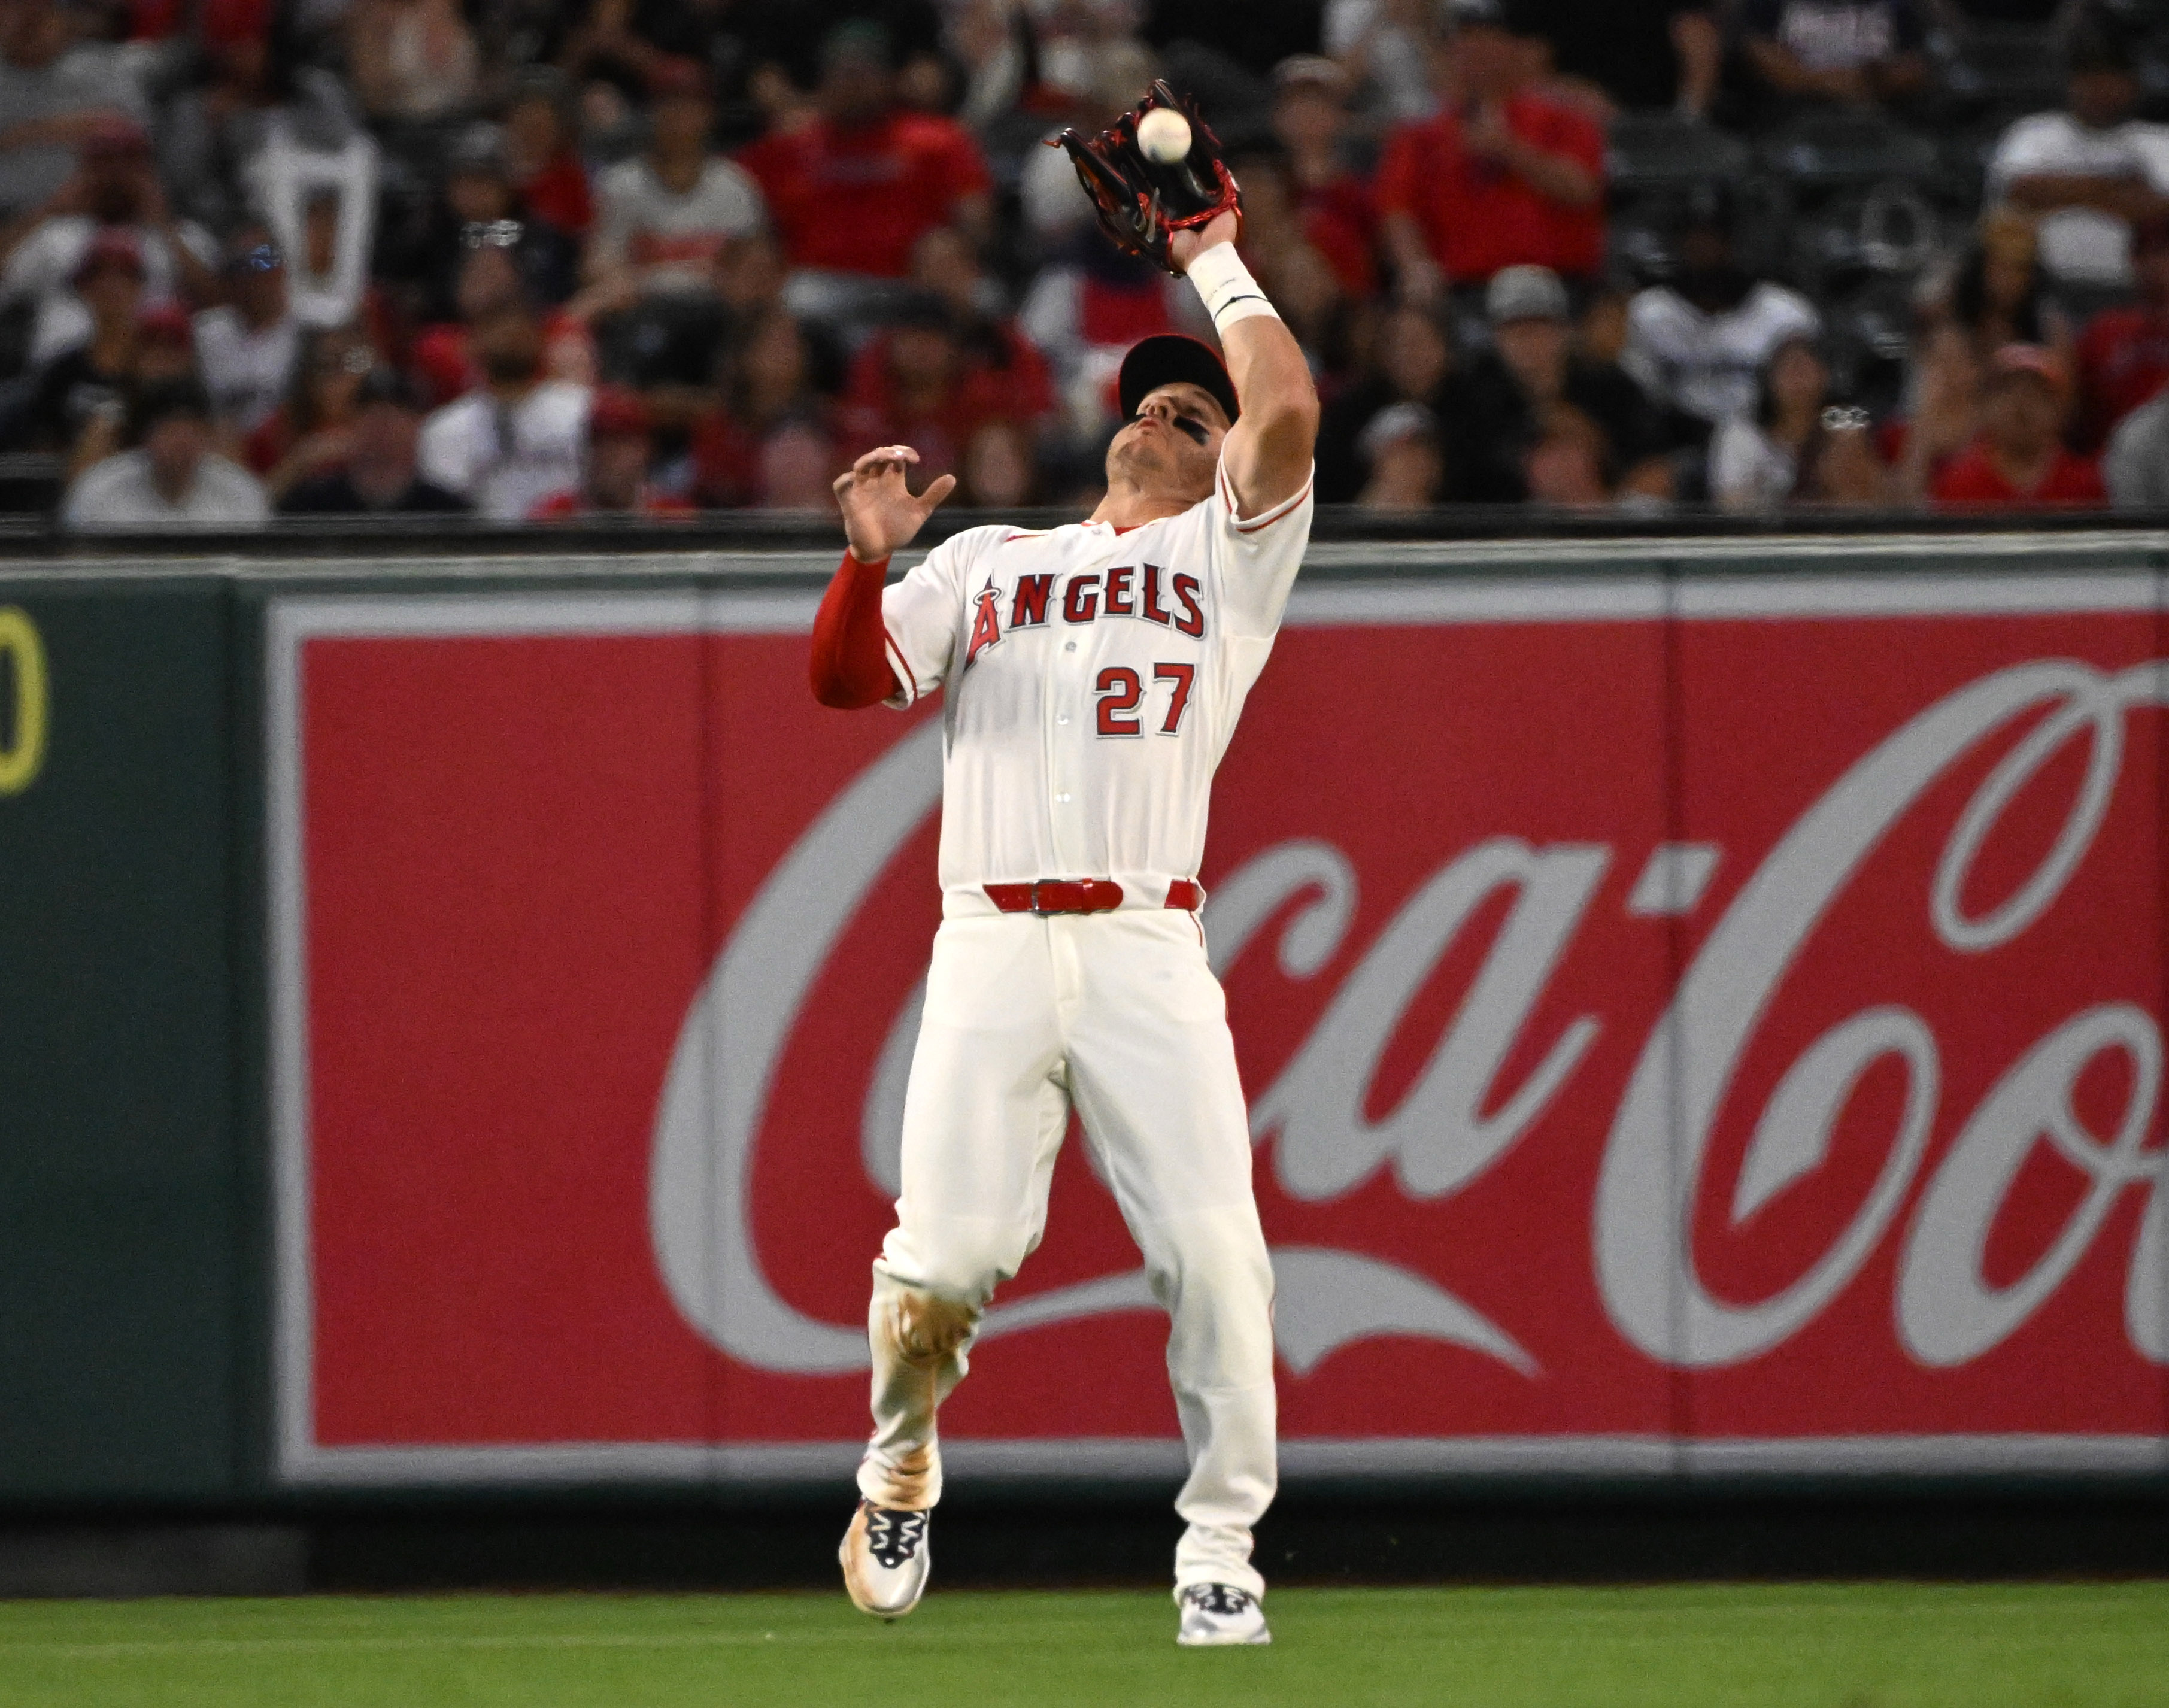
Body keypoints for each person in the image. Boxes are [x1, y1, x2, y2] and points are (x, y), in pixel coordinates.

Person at [810, 208, 1317, 1646]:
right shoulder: (987, 561)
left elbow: (1283, 404)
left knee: (1216, 1254)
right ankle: (898, 1464)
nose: (1160, 417)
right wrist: (861, 561)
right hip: (988, 939)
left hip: (1147, 941)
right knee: (943, 1267)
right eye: (1147, 401)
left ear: (1221, 458)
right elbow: (849, 683)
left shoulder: (1231, 559)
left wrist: (1214, 256)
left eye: (1188, 410)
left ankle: (1219, 1544)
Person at [1375, 0, 1606, 302]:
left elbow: (1584, 190)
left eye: (1489, 38)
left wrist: (1510, 151)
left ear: (1514, 47)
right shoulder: (1421, 134)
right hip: (1463, 290)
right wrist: (1415, 265)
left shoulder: (1564, 118)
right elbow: (1397, 211)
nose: (1476, 49)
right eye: (1465, 39)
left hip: (1558, 287)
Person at [736, 21, 991, 280]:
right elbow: (732, 208)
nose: (853, 84)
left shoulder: (939, 141)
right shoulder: (783, 150)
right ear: (823, 81)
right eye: (843, 73)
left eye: (864, 73)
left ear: (890, 78)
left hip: (914, 294)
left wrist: (954, 254)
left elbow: (977, 225)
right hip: (809, 296)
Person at [1448, 263, 1672, 505]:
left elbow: (1653, 465)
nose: (1528, 340)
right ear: (1496, 338)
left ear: (1565, 330)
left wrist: (1593, 443)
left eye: (1539, 326)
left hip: (1604, 517)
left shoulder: (1610, 387)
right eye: (1515, 329)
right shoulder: (1473, 394)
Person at [1987, 11, 2169, 289]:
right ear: (2073, 82)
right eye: (2091, 78)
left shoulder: (2158, 140)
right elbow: (2021, 192)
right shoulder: (2033, 132)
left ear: (2133, 86)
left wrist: (2062, 193)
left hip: (2134, 294)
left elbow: (2160, 209)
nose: (2101, 90)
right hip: (2042, 288)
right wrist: (2120, 190)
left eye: (2112, 79)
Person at [1621, 186, 1820, 429]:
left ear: (1736, 242)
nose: (1705, 251)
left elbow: (1806, 400)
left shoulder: (1785, 312)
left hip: (1764, 441)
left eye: (1716, 240)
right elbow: (1639, 401)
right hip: (1672, 440)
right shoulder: (1647, 312)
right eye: (1695, 239)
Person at [587, 57, 765, 302]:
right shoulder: (621, 184)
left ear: (708, 115)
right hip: (643, 310)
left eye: (689, 106)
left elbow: (756, 266)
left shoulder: (735, 185)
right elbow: (598, 264)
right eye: (668, 105)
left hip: (716, 311)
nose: (678, 117)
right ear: (652, 113)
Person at [417, 299, 591, 519]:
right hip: (482, 546)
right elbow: (445, 509)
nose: (508, 338)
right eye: (495, 329)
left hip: (570, 542)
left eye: (518, 329)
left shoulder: (583, 412)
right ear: (472, 344)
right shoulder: (446, 428)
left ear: (539, 339)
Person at [0, 0, 146, 222]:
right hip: (11, 217)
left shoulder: (99, 65)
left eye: (33, 16)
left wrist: (27, 133)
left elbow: (129, 130)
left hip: (90, 217)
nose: (21, 25)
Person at [63, 375, 269, 529]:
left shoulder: (239, 491)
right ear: (146, 437)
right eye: (171, 432)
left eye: (193, 432)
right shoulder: (100, 489)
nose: (182, 444)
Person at [1712, 334, 1888, 510]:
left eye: (1805, 369)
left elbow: (1871, 497)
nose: (1798, 380)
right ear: (1769, 380)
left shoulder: (1845, 422)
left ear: (1825, 375)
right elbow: (1732, 505)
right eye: (1788, 370)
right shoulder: (1741, 433)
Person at [1931, 342, 2104, 508]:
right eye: (2007, 391)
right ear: (1985, 405)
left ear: (2059, 409)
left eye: (2037, 393)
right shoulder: (1959, 482)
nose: (2021, 405)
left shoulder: (2085, 483)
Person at [280, 367, 469, 514]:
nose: (382, 427)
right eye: (370, 414)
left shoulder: (445, 509)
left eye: (393, 415)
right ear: (352, 423)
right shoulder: (313, 503)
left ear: (416, 425)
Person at [1735, 0, 1929, 122]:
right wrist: (1819, 82)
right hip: (1790, 113)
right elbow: (1755, 50)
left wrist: (1873, 82)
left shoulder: (1897, 7)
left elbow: (1914, 65)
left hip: (1879, 114)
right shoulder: (1772, 5)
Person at [2075, 214, 2169, 450]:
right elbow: (2078, 415)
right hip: (2109, 463)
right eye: (2145, 254)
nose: (2156, 264)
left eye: (2164, 253)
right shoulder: (2105, 330)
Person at [192, 229, 298, 435]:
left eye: (265, 262)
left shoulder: (309, 329)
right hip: (220, 447)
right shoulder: (206, 331)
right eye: (243, 269)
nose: (255, 281)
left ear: (282, 270)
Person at [530, 385, 693, 517]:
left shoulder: (672, 516)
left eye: (621, 443)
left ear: (646, 450)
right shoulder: (555, 515)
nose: (608, 454)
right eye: (599, 442)